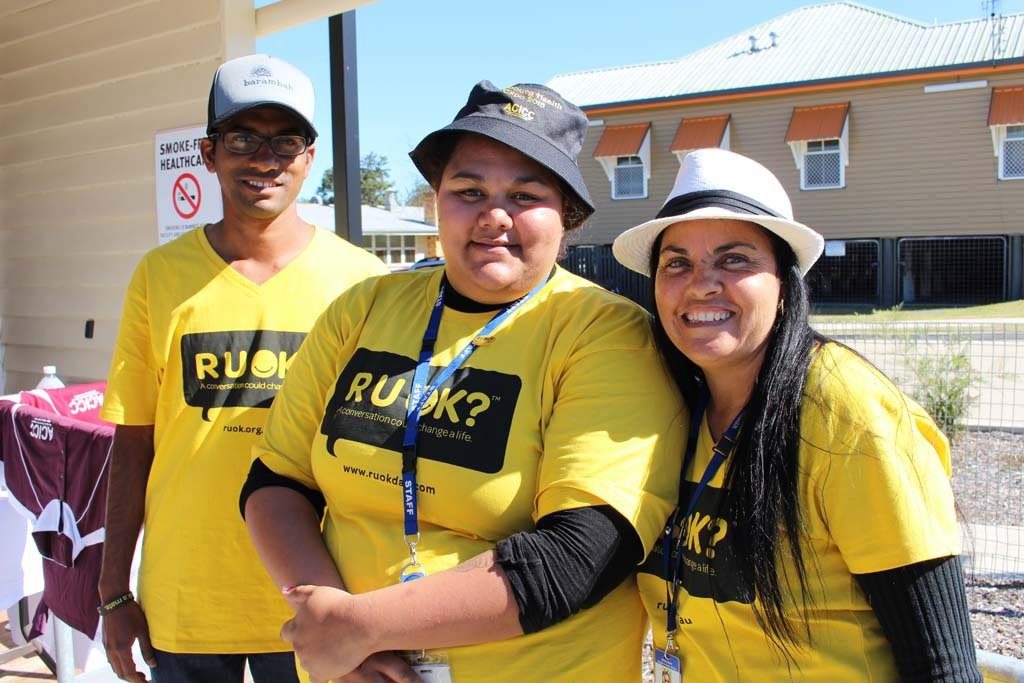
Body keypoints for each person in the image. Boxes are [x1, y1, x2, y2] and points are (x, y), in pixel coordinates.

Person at [240, 80, 684, 682]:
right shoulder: (366, 308)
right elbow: (276, 480)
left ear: (567, 216)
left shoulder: (603, 333)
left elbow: (579, 555)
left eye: (525, 195)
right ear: (437, 202)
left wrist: (359, 628)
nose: (493, 216)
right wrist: (333, 634)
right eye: (468, 190)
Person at [613, 148, 982, 682]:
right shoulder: (672, 407)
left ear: (785, 284)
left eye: (734, 259)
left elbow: (942, 664)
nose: (701, 283)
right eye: (677, 262)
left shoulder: (845, 411)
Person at [98, 54, 388, 683]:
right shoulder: (159, 276)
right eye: (242, 138)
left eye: (285, 140)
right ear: (209, 152)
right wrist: (113, 590)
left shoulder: (364, 283)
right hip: (188, 599)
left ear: (310, 157)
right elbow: (132, 439)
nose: (265, 159)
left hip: (321, 597)